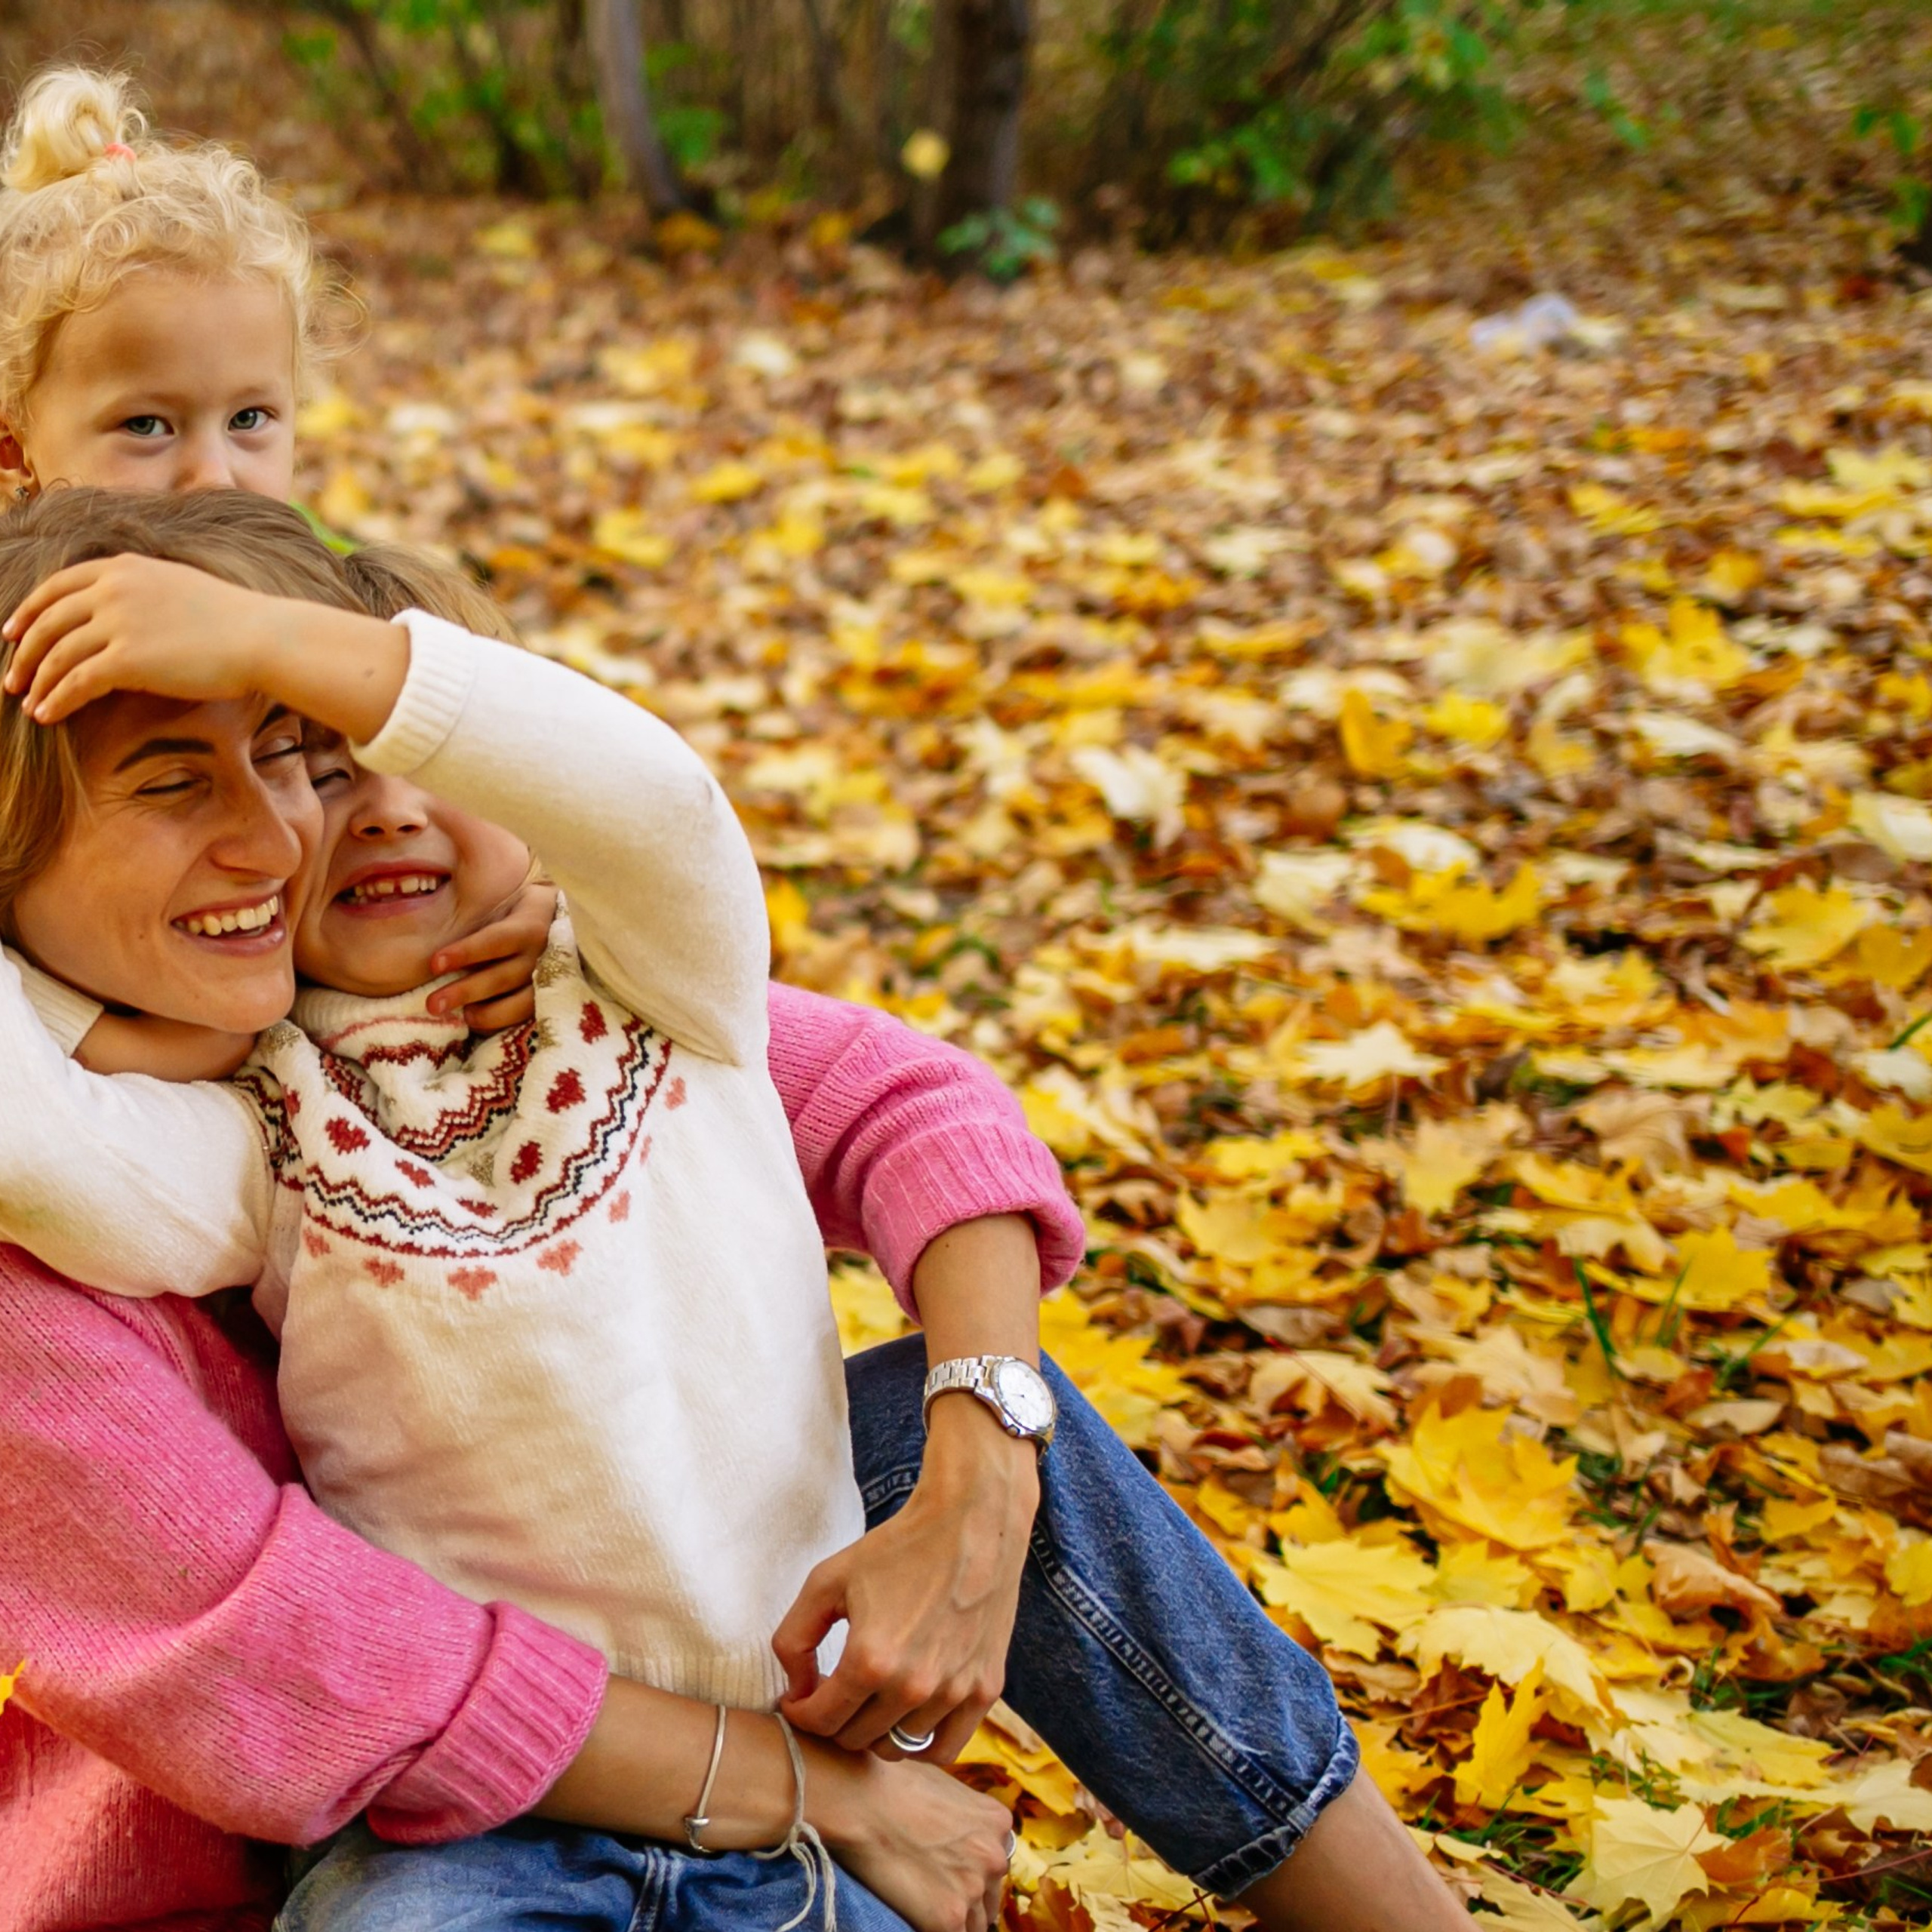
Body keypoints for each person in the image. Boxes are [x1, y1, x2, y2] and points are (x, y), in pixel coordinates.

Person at [0, 66, 1467, 1932]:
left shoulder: (485, 978)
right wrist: (819, 1789)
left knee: (931, 1427)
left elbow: (882, 1079)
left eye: (301, 750)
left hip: (708, 1615)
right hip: (322, 1800)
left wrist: (981, 1452)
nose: (291, 821)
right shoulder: (209, 1115)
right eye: (144, 429)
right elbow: (301, 1646)